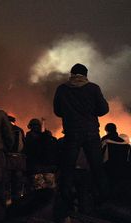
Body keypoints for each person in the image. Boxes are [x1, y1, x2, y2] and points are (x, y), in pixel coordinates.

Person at [53, 63, 110, 209]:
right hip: (91, 131)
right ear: (85, 74)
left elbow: (57, 111)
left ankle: (65, 200)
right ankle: (103, 200)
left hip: (72, 132)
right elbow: (104, 109)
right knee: (96, 166)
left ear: (71, 74)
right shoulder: (93, 88)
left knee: (68, 167)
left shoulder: (62, 89)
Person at [24, 118, 58, 191]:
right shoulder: (50, 137)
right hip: (48, 168)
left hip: (37, 168)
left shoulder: (29, 137)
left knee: (38, 190)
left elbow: (27, 151)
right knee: (49, 191)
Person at [6, 114, 26, 202]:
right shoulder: (19, 130)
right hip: (18, 160)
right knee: (17, 184)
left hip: (7, 158)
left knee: (6, 183)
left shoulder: (4, 129)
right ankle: (17, 204)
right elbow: (23, 146)